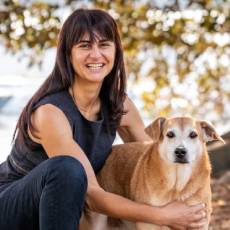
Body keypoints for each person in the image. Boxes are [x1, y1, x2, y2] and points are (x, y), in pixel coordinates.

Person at [0, 8, 207, 230]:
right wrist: (163, 216)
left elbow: (154, 159)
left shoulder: (120, 105)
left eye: (104, 45)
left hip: (63, 214)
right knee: (67, 169)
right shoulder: (50, 113)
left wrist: (190, 203)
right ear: (67, 53)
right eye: (85, 45)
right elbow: (92, 196)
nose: (96, 55)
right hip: (12, 209)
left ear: (116, 51)